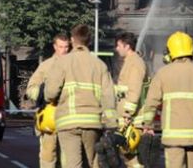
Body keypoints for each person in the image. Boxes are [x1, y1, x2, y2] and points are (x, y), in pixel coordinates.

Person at [135, 31, 193, 168]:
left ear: (170, 52)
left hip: (173, 138)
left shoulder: (162, 74)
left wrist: (147, 125)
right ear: (192, 50)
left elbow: (151, 102)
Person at [44, 24, 117, 168]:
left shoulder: (63, 62)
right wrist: (112, 125)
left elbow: (50, 93)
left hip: (68, 122)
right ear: (89, 41)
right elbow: (109, 97)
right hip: (92, 123)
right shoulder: (100, 65)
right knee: (92, 163)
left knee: (72, 164)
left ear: (72, 40)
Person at [26, 32, 70, 168]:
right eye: (61, 47)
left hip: (68, 118)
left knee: (68, 157)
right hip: (49, 118)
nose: (63, 50)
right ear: (54, 47)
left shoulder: (74, 65)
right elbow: (31, 88)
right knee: (48, 155)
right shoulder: (46, 66)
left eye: (66, 47)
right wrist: (42, 95)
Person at [114, 32, 147, 168]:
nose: (117, 49)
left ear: (127, 46)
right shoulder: (130, 62)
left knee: (129, 155)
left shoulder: (135, 63)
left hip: (132, 119)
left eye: (119, 45)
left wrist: (128, 113)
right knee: (126, 155)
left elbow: (134, 90)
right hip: (127, 117)